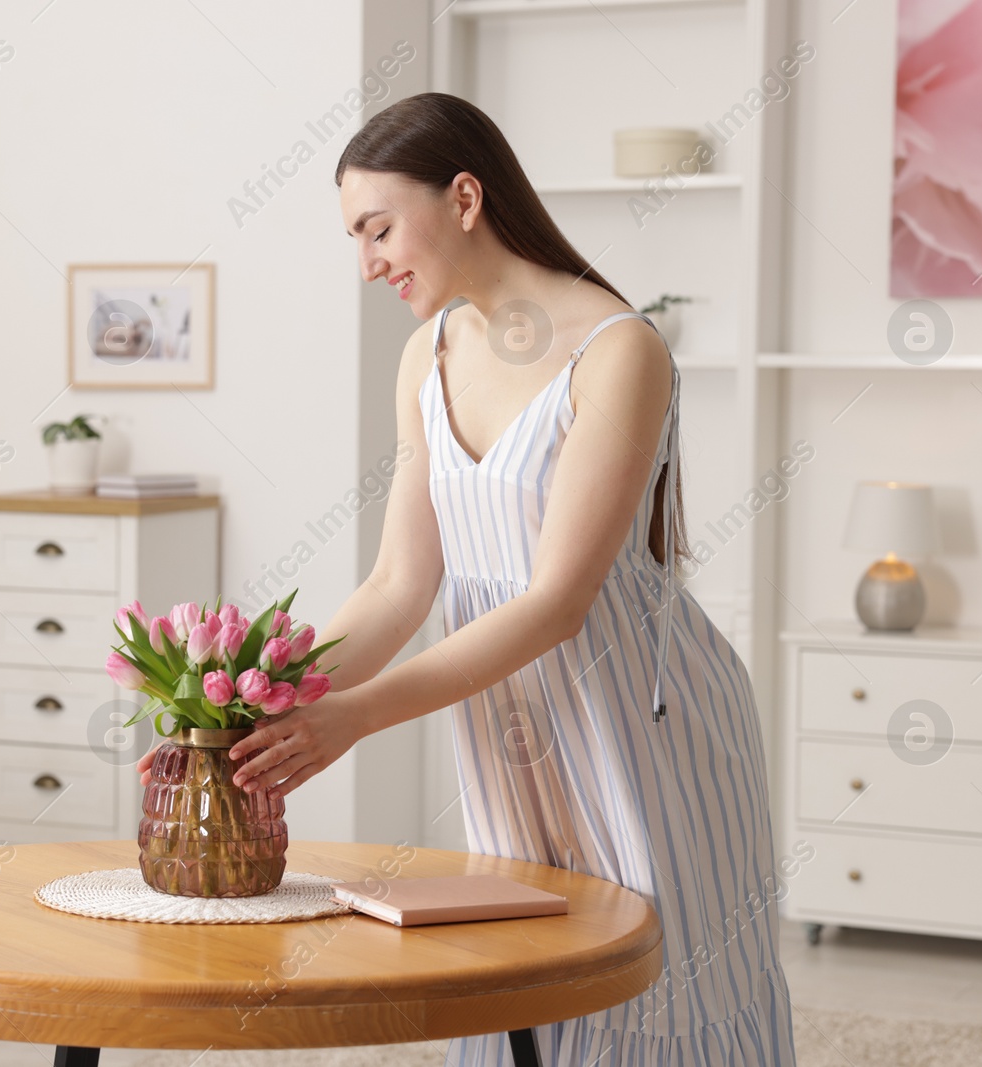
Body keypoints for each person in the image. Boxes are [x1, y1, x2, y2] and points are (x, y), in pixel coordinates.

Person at [135, 91, 797, 1066]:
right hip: (513, 728)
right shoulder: (427, 355)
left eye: (377, 229)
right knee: (522, 983)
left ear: (464, 198)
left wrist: (353, 718)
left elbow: (555, 604)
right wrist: (238, 715)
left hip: (639, 725)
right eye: (355, 237)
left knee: (664, 994)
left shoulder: (619, 352)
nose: (366, 262)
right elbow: (397, 585)